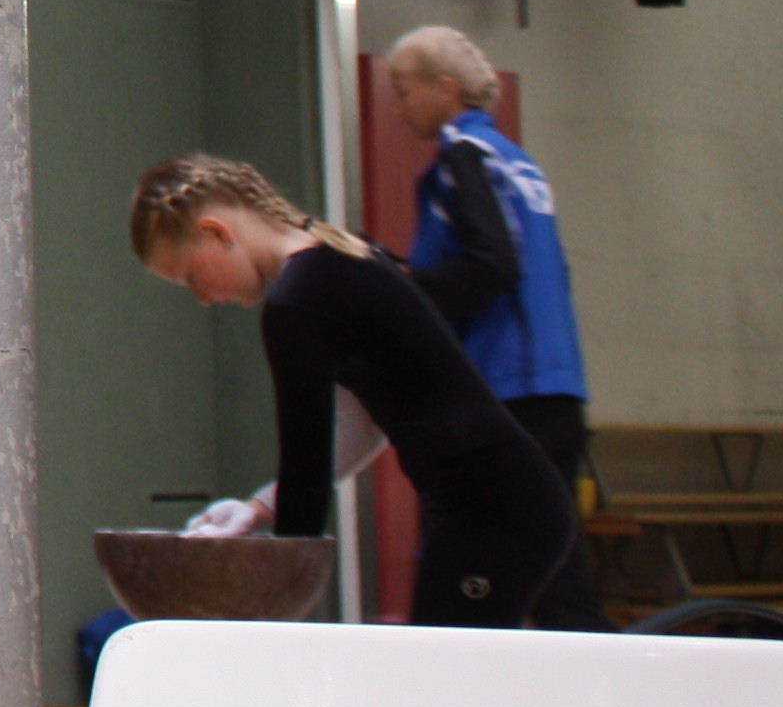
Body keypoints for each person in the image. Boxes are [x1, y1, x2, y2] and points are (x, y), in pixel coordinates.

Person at [129, 154, 583, 630]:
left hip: (493, 509)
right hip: (508, 501)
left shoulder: (299, 300)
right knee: (450, 665)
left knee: (445, 668)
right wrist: (257, 508)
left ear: (218, 232)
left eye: (191, 277)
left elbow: (306, 467)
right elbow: (361, 428)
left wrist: (279, 606)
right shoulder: (337, 263)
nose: (203, 299)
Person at [385, 28, 608, 631]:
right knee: (557, 577)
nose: (398, 108)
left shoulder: (462, 157)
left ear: (446, 88)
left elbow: (493, 263)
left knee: (463, 573)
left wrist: (402, 292)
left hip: (508, 395)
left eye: (404, 92)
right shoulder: (519, 161)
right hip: (556, 389)